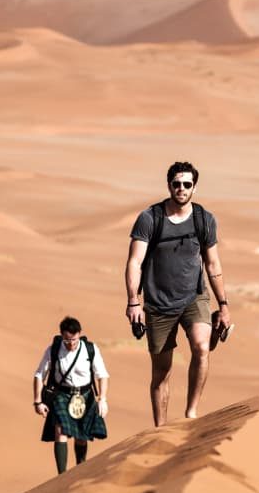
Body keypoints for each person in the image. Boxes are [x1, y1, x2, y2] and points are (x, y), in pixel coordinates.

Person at [124, 161, 231, 426]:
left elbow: (213, 264)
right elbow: (134, 262)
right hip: (158, 304)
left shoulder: (203, 219)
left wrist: (224, 304)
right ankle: (160, 428)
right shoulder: (150, 218)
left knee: (201, 346)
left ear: (194, 187)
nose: (181, 189)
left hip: (194, 296)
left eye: (187, 184)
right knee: (162, 371)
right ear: (169, 185)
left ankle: (191, 412)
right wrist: (133, 302)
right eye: (177, 184)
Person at [33, 316, 109, 474]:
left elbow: (102, 375)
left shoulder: (90, 349)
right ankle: (62, 475)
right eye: (67, 341)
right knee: (60, 431)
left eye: (74, 340)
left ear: (79, 334)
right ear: (62, 335)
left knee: (81, 436)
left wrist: (102, 398)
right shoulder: (54, 350)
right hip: (62, 395)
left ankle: (80, 468)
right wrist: (38, 401)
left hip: (85, 395)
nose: (71, 344)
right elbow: (40, 375)